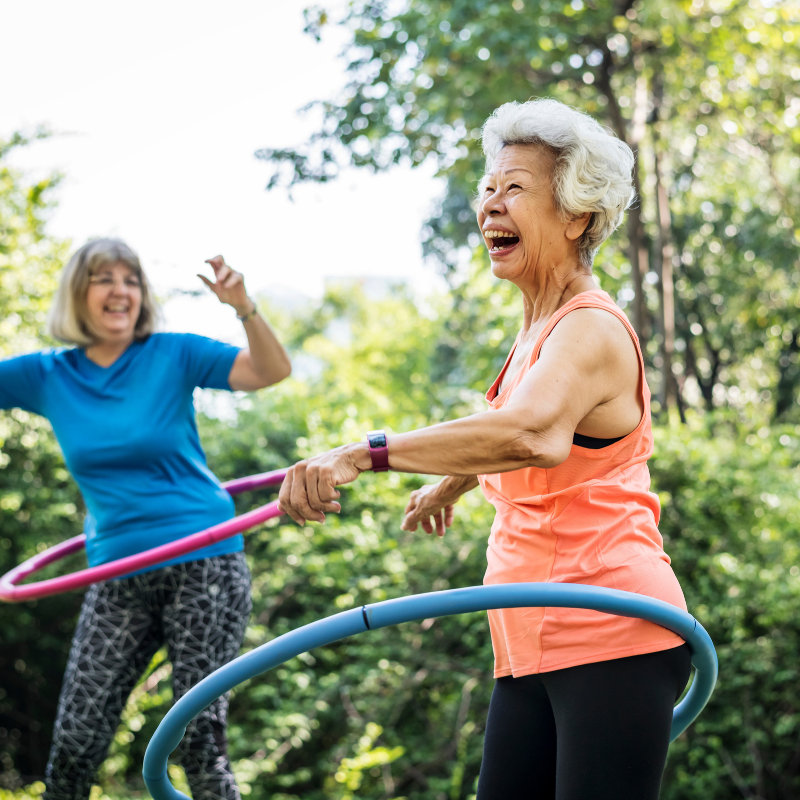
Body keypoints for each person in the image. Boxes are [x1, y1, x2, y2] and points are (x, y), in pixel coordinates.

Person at [276, 99, 691, 800]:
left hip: (611, 630)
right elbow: (509, 426)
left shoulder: (589, 327)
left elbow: (531, 432)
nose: (489, 206)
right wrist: (452, 483)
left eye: (515, 190)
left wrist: (362, 453)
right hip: (528, 638)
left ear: (577, 214)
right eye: (487, 189)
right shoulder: (538, 332)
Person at [0, 239, 291, 800]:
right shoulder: (46, 375)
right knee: (73, 748)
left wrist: (242, 306)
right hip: (116, 575)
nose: (121, 291)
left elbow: (270, 371)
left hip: (204, 564)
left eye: (130, 279)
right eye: (104, 278)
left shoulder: (172, 354)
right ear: (78, 295)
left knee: (201, 745)